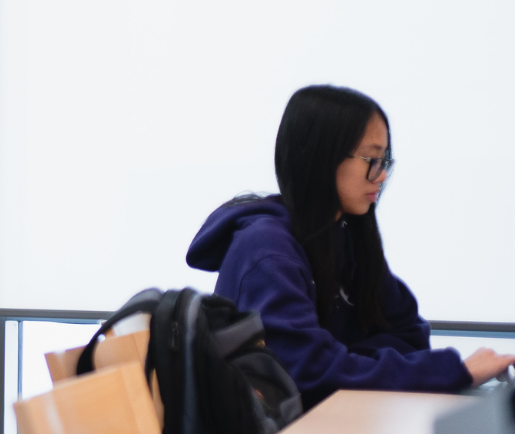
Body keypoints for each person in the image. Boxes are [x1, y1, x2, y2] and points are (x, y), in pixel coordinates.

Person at [186, 85, 515, 409]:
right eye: (371, 158)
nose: (382, 174)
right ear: (318, 157)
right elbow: (308, 372)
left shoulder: (346, 234)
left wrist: (345, 361)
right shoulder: (267, 250)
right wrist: (451, 371)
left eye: (385, 159)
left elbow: (410, 333)